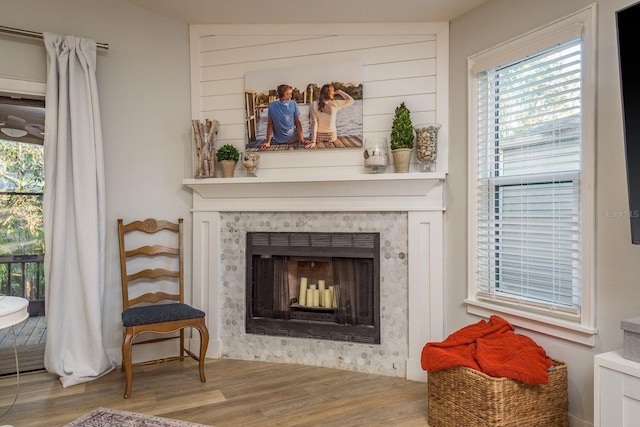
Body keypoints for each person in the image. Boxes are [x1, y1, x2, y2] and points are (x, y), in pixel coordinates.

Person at [260, 84, 310, 150]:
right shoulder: (293, 103)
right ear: (286, 94)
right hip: (292, 138)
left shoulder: (272, 105)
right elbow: (297, 123)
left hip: (279, 140)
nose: (291, 95)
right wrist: (302, 140)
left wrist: (268, 142)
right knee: (302, 129)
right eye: (290, 94)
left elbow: (270, 125)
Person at [306, 84, 355, 149]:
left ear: (321, 92)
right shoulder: (335, 103)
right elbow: (351, 100)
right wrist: (340, 92)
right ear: (331, 93)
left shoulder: (313, 104)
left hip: (318, 137)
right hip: (331, 137)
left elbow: (314, 123)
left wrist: (313, 141)